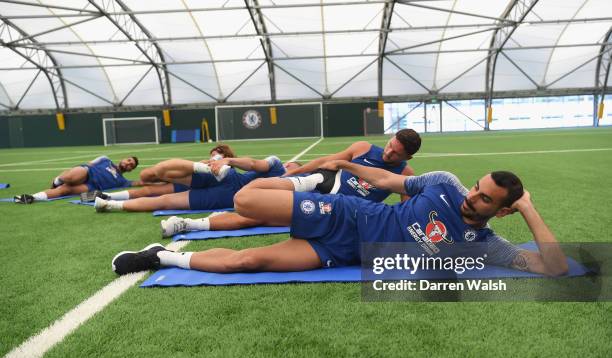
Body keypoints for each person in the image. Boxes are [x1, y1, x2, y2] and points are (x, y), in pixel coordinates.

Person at [111, 162, 569, 277]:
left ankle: (164, 259)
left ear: (503, 210)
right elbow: (388, 181)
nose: (472, 198)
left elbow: (555, 269)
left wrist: (529, 208)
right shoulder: (445, 184)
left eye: (485, 199)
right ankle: (309, 185)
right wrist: (346, 169)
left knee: (246, 262)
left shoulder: (485, 245)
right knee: (248, 199)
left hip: (342, 251)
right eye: (476, 188)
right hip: (347, 212)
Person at [160, 128, 422, 237]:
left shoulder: (405, 175)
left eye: (395, 153)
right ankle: (224, 202)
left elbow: (404, 212)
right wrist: (289, 175)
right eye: (390, 146)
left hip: (336, 207)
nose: (388, 153)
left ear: (407, 157)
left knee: (261, 216)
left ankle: (189, 224)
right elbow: (326, 161)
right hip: (317, 180)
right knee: (259, 192)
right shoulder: (364, 147)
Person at [95, 155, 299, 213]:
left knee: (164, 198)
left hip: (230, 190)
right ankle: (201, 167)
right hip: (230, 187)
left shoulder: (289, 178)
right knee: (162, 185)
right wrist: (227, 161)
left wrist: (227, 161)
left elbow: (255, 164)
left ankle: (110, 203)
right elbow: (255, 164)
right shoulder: (284, 173)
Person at [89, 144, 236, 202]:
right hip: (185, 178)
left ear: (224, 155)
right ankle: (100, 196)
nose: (213, 157)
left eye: (216, 154)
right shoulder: (206, 162)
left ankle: (106, 198)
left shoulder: (228, 168)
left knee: (151, 194)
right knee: (146, 180)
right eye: (212, 154)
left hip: (191, 186)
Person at [14, 155, 139, 204]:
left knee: (64, 190)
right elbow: (90, 164)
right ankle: (58, 179)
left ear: (131, 170)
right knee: (70, 177)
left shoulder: (123, 181)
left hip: (91, 186)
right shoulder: (106, 159)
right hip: (88, 172)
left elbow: (141, 182)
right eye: (129, 160)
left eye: (131, 165)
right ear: (123, 159)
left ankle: (31, 197)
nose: (129, 164)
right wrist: (83, 169)